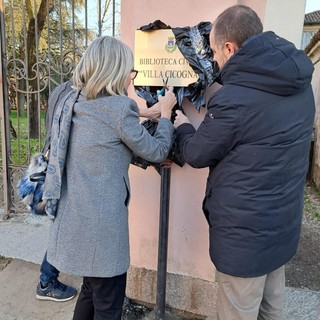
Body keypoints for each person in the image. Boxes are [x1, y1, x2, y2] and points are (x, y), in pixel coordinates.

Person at [174, 5, 315, 320]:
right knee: (271, 311)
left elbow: (196, 153)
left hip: (245, 241)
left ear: (229, 48)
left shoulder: (235, 99)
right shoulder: (300, 82)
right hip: (281, 228)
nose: (213, 61)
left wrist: (181, 124)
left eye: (213, 52)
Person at [42, 35, 176, 320]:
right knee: (108, 305)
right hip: (102, 234)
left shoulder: (71, 100)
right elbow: (156, 150)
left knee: (90, 291)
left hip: (75, 224)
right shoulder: (118, 109)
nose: (132, 76)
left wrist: (143, 113)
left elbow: (108, 134)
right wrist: (165, 115)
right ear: (115, 70)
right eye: (130, 69)